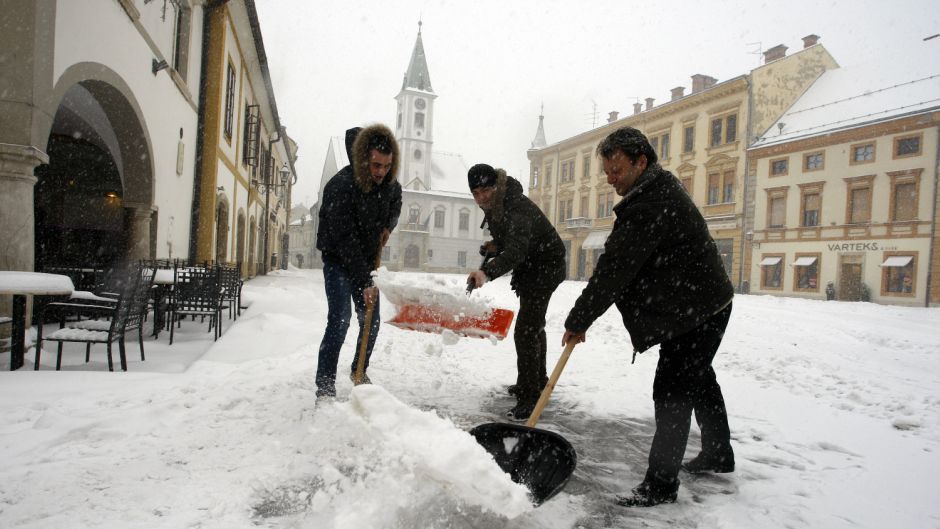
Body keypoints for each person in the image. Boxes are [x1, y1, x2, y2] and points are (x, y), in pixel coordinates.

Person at [561, 127, 735, 507]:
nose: (611, 178)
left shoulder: (650, 204)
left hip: (697, 310)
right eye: (606, 171)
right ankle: (719, 452)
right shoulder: (655, 190)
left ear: (641, 161)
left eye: (617, 169)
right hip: (699, 304)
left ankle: (660, 484)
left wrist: (579, 318)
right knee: (699, 378)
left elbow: (614, 270)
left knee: (672, 390)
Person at [466, 163, 565, 421]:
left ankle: (530, 397)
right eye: (476, 193)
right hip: (533, 267)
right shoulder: (499, 205)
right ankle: (537, 382)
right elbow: (513, 241)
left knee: (526, 331)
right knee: (533, 326)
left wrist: (486, 272)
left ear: (496, 187)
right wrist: (495, 245)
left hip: (545, 267)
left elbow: (518, 249)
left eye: (486, 190)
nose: (481, 197)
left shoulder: (516, 206)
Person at [315, 124, 401, 398]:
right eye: (376, 165)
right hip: (339, 258)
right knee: (339, 319)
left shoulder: (389, 184)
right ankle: (325, 385)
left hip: (365, 257)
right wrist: (364, 280)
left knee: (370, 320)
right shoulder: (340, 186)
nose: (381, 172)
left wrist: (388, 225)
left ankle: (359, 371)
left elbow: (397, 201)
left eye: (387, 166)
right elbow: (345, 238)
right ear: (364, 159)